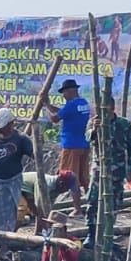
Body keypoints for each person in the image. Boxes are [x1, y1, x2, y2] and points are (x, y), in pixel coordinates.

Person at [83, 96, 131, 249]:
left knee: (113, 203)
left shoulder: (123, 124)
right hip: (98, 169)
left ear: (113, 108)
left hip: (117, 170)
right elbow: (87, 138)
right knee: (93, 201)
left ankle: (108, 236)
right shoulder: (94, 122)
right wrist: (94, 129)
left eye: (106, 108)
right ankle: (91, 234)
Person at [45, 79, 90, 216]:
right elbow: (63, 113)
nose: (63, 96)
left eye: (64, 93)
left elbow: (54, 118)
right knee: (84, 177)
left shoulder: (71, 105)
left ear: (70, 91)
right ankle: (91, 205)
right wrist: (49, 105)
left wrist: (45, 105)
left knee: (71, 178)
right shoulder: (83, 103)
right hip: (83, 144)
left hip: (71, 146)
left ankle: (77, 209)